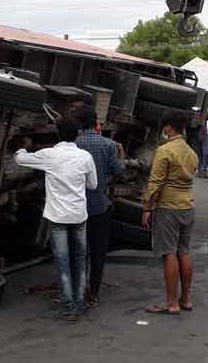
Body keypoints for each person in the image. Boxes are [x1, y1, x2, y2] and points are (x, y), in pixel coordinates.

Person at [14, 117, 98, 319]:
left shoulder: (49, 155)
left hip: (58, 217)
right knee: (79, 259)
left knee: (62, 260)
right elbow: (92, 185)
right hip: (79, 215)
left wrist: (23, 147)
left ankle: (68, 304)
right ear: (76, 135)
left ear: (58, 135)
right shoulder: (85, 156)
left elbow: (20, 159)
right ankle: (79, 302)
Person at [141, 111, 198, 315]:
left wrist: (147, 208)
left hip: (168, 207)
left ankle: (171, 303)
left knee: (169, 253)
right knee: (184, 251)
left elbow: (155, 183)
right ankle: (186, 299)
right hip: (187, 207)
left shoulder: (164, 151)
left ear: (168, 128)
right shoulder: (191, 152)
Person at [73, 107, 125, 307]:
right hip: (99, 207)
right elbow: (119, 170)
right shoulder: (108, 144)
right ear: (97, 124)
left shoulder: (73, 145)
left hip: (76, 207)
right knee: (97, 251)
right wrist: (120, 153)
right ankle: (93, 292)